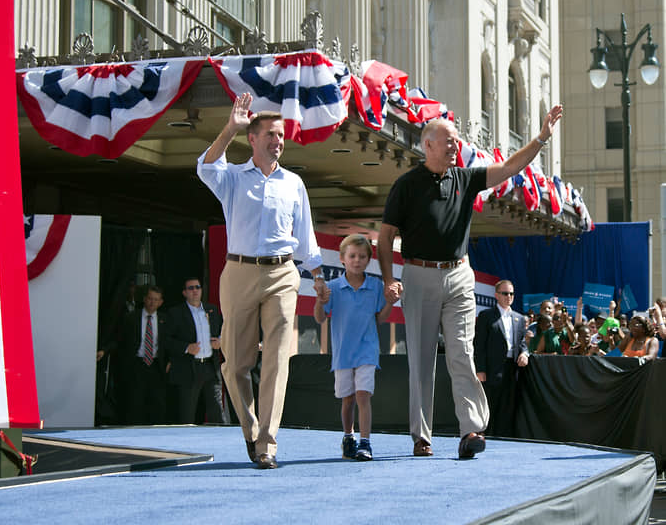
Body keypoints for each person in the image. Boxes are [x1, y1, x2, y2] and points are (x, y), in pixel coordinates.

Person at [378, 104, 563, 459]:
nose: (455, 147)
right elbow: (385, 238)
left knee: (462, 352)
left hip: (460, 274)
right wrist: (388, 279)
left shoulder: (465, 177)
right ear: (428, 145)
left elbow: (509, 167)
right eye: (448, 142)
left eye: (457, 141)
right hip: (417, 275)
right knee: (421, 358)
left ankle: (471, 430)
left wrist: (540, 139)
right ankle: (422, 436)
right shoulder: (406, 186)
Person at [197, 92, 326, 470]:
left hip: (284, 274)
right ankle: (252, 429)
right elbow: (205, 167)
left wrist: (317, 274)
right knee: (235, 363)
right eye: (270, 134)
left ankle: (268, 442)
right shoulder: (232, 177)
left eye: (281, 135)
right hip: (238, 273)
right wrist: (228, 129)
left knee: (276, 359)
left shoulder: (294, 183)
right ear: (252, 138)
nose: (278, 140)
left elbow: (305, 236)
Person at [313, 235, 392, 461]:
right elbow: (319, 318)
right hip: (343, 354)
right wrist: (320, 300)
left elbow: (380, 318)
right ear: (342, 259)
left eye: (362, 256)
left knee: (363, 396)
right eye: (352, 256)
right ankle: (349, 436)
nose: (357, 260)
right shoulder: (333, 288)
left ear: (369, 260)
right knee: (347, 400)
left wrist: (390, 302)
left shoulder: (376, 286)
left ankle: (365, 443)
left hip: (367, 351)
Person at [164, 277, 229, 425]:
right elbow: (167, 340)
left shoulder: (211, 310)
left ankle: (220, 439)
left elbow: (222, 331)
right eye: (191, 288)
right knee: (187, 411)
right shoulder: (176, 313)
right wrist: (187, 348)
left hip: (210, 366)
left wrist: (220, 342)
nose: (195, 291)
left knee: (217, 409)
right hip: (189, 367)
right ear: (184, 292)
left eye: (197, 287)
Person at [474, 280, 529, 437]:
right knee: (491, 404)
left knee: (508, 404)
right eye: (505, 293)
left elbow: (523, 342)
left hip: (512, 369)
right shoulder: (486, 316)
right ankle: (485, 435)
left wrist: (525, 353)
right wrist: (480, 369)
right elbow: (479, 345)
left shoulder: (519, 318)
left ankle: (504, 438)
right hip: (492, 369)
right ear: (496, 295)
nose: (509, 297)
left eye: (511, 293)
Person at [117, 286, 168, 425]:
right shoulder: (131, 317)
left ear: (160, 302)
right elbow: (121, 341)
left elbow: (169, 344)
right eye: (150, 298)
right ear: (145, 299)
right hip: (137, 364)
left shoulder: (165, 320)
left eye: (156, 300)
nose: (152, 302)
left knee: (157, 403)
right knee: (135, 402)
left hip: (157, 366)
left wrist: (169, 362)